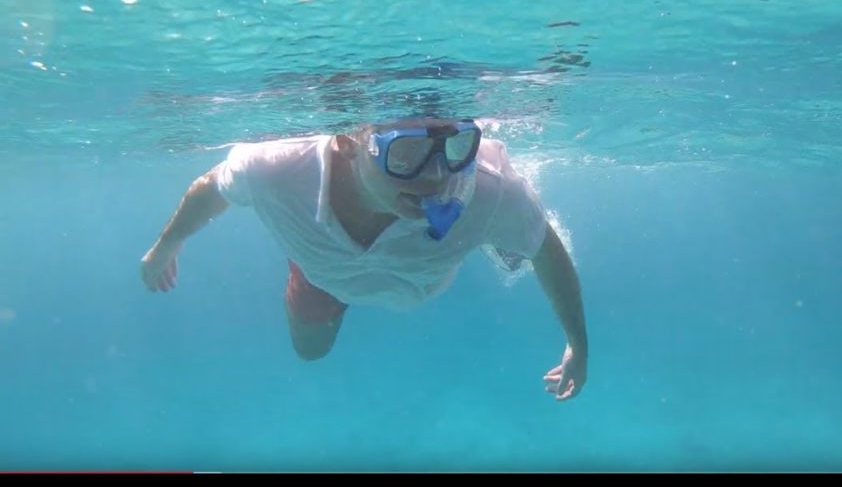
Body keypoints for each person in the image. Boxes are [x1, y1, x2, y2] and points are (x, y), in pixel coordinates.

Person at [140, 116, 587, 401]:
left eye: (455, 147)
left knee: (511, 228)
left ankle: (488, 241)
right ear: (349, 142)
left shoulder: (487, 190)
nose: (435, 178)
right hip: (323, 275)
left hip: (428, 272)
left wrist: (577, 344)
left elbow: (545, 247)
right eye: (406, 153)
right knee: (310, 352)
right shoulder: (274, 166)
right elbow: (215, 187)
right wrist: (166, 244)